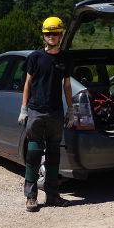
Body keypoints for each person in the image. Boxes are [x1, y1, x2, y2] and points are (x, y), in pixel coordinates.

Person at [18, 16, 74, 212]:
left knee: (53, 156)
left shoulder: (65, 58)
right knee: (33, 154)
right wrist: (24, 108)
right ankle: (31, 196)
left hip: (56, 112)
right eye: (48, 33)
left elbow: (67, 86)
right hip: (36, 111)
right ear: (43, 35)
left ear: (61, 35)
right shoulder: (35, 57)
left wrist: (71, 110)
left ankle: (52, 195)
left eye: (56, 33)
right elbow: (27, 83)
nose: (52, 36)